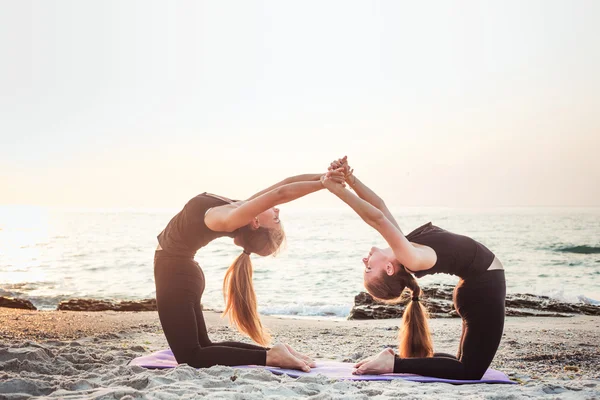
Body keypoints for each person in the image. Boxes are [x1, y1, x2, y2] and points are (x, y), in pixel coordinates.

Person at [322, 157, 506, 380]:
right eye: (369, 269)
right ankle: (394, 362)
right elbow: (377, 219)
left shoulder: (405, 249)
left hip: (479, 287)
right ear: (389, 269)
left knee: (464, 364)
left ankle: (396, 360)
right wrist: (337, 191)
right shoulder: (412, 258)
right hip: (484, 288)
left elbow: (379, 206)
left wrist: (350, 179)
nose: (364, 261)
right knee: (470, 371)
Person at [154, 171, 344, 371]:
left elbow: (281, 193)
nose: (277, 211)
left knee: (191, 357)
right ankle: (273, 353)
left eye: (276, 219)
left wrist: (325, 185)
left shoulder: (226, 218)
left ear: (255, 223)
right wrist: (329, 175)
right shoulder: (239, 208)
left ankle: (270, 356)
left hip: (175, 275)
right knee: (202, 347)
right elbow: (285, 184)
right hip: (182, 273)